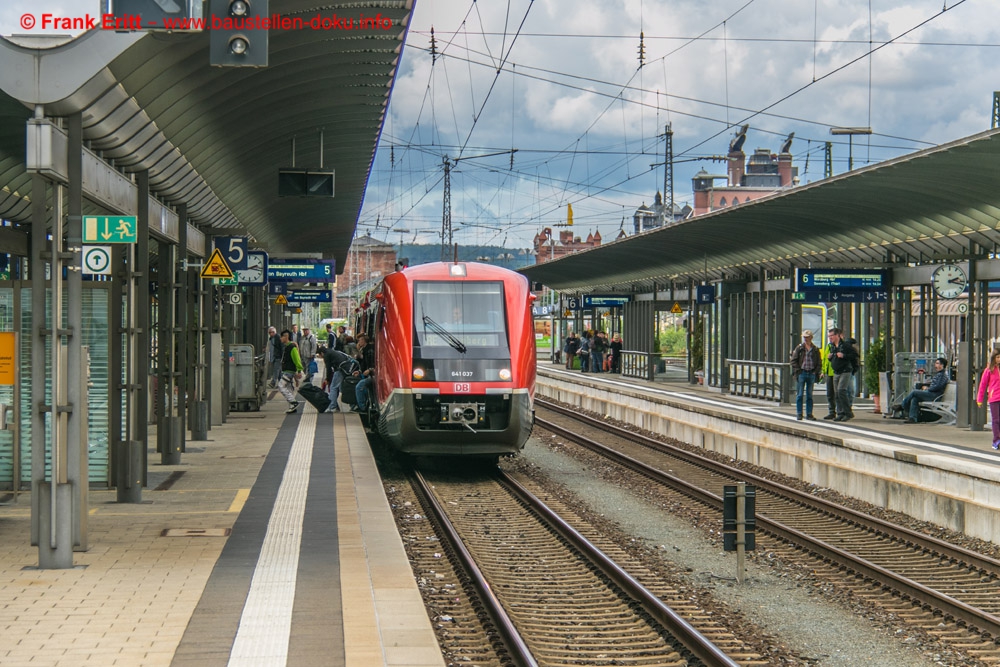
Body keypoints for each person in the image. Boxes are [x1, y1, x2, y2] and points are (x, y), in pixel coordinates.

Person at [900, 357, 949, 424]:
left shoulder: (943, 375)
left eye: (937, 363)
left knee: (914, 392)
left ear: (942, 365)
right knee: (915, 398)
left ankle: (903, 405)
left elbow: (937, 386)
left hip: (934, 396)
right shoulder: (939, 374)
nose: (935, 365)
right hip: (931, 393)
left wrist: (927, 388)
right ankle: (913, 418)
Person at [827, 327, 859, 422]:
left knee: (841, 390)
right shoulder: (833, 346)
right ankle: (840, 413)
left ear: (837, 335)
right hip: (836, 371)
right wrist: (830, 358)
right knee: (836, 393)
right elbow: (834, 358)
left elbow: (855, 355)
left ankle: (848, 413)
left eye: (832, 336)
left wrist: (844, 355)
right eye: (829, 336)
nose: (830, 338)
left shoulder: (845, 346)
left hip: (845, 371)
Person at [789, 329, 821, 421]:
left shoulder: (815, 349)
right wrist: (798, 371)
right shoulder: (799, 348)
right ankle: (799, 413)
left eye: (807, 337)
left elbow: (819, 361)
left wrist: (815, 371)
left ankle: (809, 414)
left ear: (811, 338)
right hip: (802, 373)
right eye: (804, 337)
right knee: (799, 394)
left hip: (811, 372)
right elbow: (793, 360)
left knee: (809, 395)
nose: (805, 339)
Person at [321, 344, 359, 413]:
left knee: (333, 387)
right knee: (342, 388)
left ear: (321, 353)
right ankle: (353, 405)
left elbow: (328, 368)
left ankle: (332, 407)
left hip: (340, 370)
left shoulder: (326, 355)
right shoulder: (332, 351)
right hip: (346, 368)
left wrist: (327, 379)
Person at [276, 329, 303, 413]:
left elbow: (297, 359)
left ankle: (294, 403)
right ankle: (292, 407)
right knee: (289, 388)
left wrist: (299, 370)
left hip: (289, 371)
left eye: (282, 336)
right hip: (287, 370)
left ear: (286, 337)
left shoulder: (291, 347)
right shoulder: (288, 346)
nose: (280, 338)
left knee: (281, 385)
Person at [977, 349, 1000, 450]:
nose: (999, 359)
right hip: (994, 398)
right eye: (998, 357)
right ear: (994, 358)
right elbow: (983, 385)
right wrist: (979, 399)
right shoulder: (989, 370)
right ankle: (996, 440)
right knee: (996, 420)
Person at [354, 333, 376, 412]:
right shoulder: (364, 350)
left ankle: (362, 407)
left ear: (364, 340)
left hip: (373, 375)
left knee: (359, 387)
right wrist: (359, 372)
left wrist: (370, 370)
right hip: (368, 374)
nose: (358, 342)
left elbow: (373, 362)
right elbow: (362, 363)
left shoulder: (370, 350)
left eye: (359, 340)